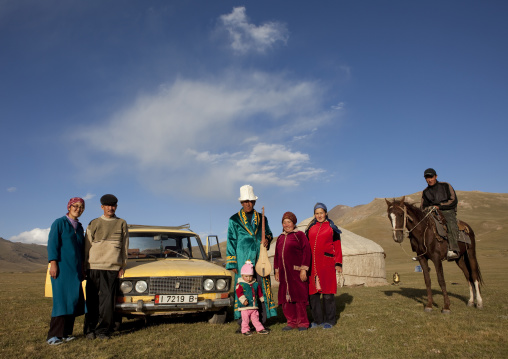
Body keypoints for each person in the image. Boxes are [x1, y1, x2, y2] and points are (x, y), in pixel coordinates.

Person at [226, 185, 277, 333]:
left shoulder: (262, 218)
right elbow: (231, 241)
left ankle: (261, 321)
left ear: (254, 202)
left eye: (250, 201)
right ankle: (243, 323)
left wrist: (267, 239)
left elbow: (268, 233)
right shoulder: (234, 220)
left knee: (259, 288)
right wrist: (232, 262)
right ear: (241, 203)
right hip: (242, 259)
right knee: (243, 290)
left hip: (259, 258)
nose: (248, 204)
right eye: (245, 201)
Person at [83, 194, 129, 340]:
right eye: (108, 205)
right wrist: (85, 265)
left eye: (113, 205)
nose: (111, 208)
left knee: (107, 301)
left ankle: (103, 331)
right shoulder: (94, 223)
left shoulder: (122, 223)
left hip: (112, 267)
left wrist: (122, 265)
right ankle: (89, 330)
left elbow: (125, 246)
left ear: (116, 206)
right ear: (102, 207)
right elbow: (87, 245)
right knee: (91, 300)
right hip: (93, 266)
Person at [46, 197, 86, 345]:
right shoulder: (59, 223)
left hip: (75, 269)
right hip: (62, 268)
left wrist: (82, 268)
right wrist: (53, 263)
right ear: (69, 207)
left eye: (81, 207)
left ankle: (65, 334)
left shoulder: (80, 227)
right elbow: (52, 244)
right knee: (61, 301)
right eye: (75, 206)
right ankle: (53, 336)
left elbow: (82, 250)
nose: (78, 209)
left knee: (73, 300)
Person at [305, 203, 343, 329]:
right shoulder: (310, 227)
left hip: (326, 263)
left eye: (321, 213)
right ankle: (317, 320)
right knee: (313, 295)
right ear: (314, 215)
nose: (319, 215)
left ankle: (330, 320)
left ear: (326, 213)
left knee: (328, 294)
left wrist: (338, 263)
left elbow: (337, 246)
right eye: (317, 213)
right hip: (312, 265)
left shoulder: (332, 228)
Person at [274, 211, 311, 331]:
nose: (286, 224)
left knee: (299, 298)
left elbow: (306, 252)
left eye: (288, 222)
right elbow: (276, 256)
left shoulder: (299, 235)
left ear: (294, 223)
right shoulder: (280, 238)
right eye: (284, 222)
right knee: (286, 299)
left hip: (296, 271)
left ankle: (303, 323)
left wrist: (304, 269)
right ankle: (291, 322)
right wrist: (276, 270)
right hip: (284, 274)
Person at [421, 168, 460, 260]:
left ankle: (453, 249)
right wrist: (428, 209)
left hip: (447, 210)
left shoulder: (445, 185)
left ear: (436, 176)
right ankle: (421, 251)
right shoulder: (425, 192)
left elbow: (453, 200)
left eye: (431, 177)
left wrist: (440, 206)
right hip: (432, 212)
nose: (429, 180)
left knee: (450, 224)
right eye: (427, 178)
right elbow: (422, 207)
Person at [235, 261, 270, 336]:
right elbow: (239, 293)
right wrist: (243, 300)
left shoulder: (255, 283)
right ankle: (245, 330)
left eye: (250, 276)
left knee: (255, 318)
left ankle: (260, 329)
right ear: (242, 275)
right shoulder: (240, 284)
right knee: (245, 319)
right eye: (246, 276)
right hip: (245, 307)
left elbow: (259, 292)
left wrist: (261, 298)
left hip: (254, 306)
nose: (248, 278)